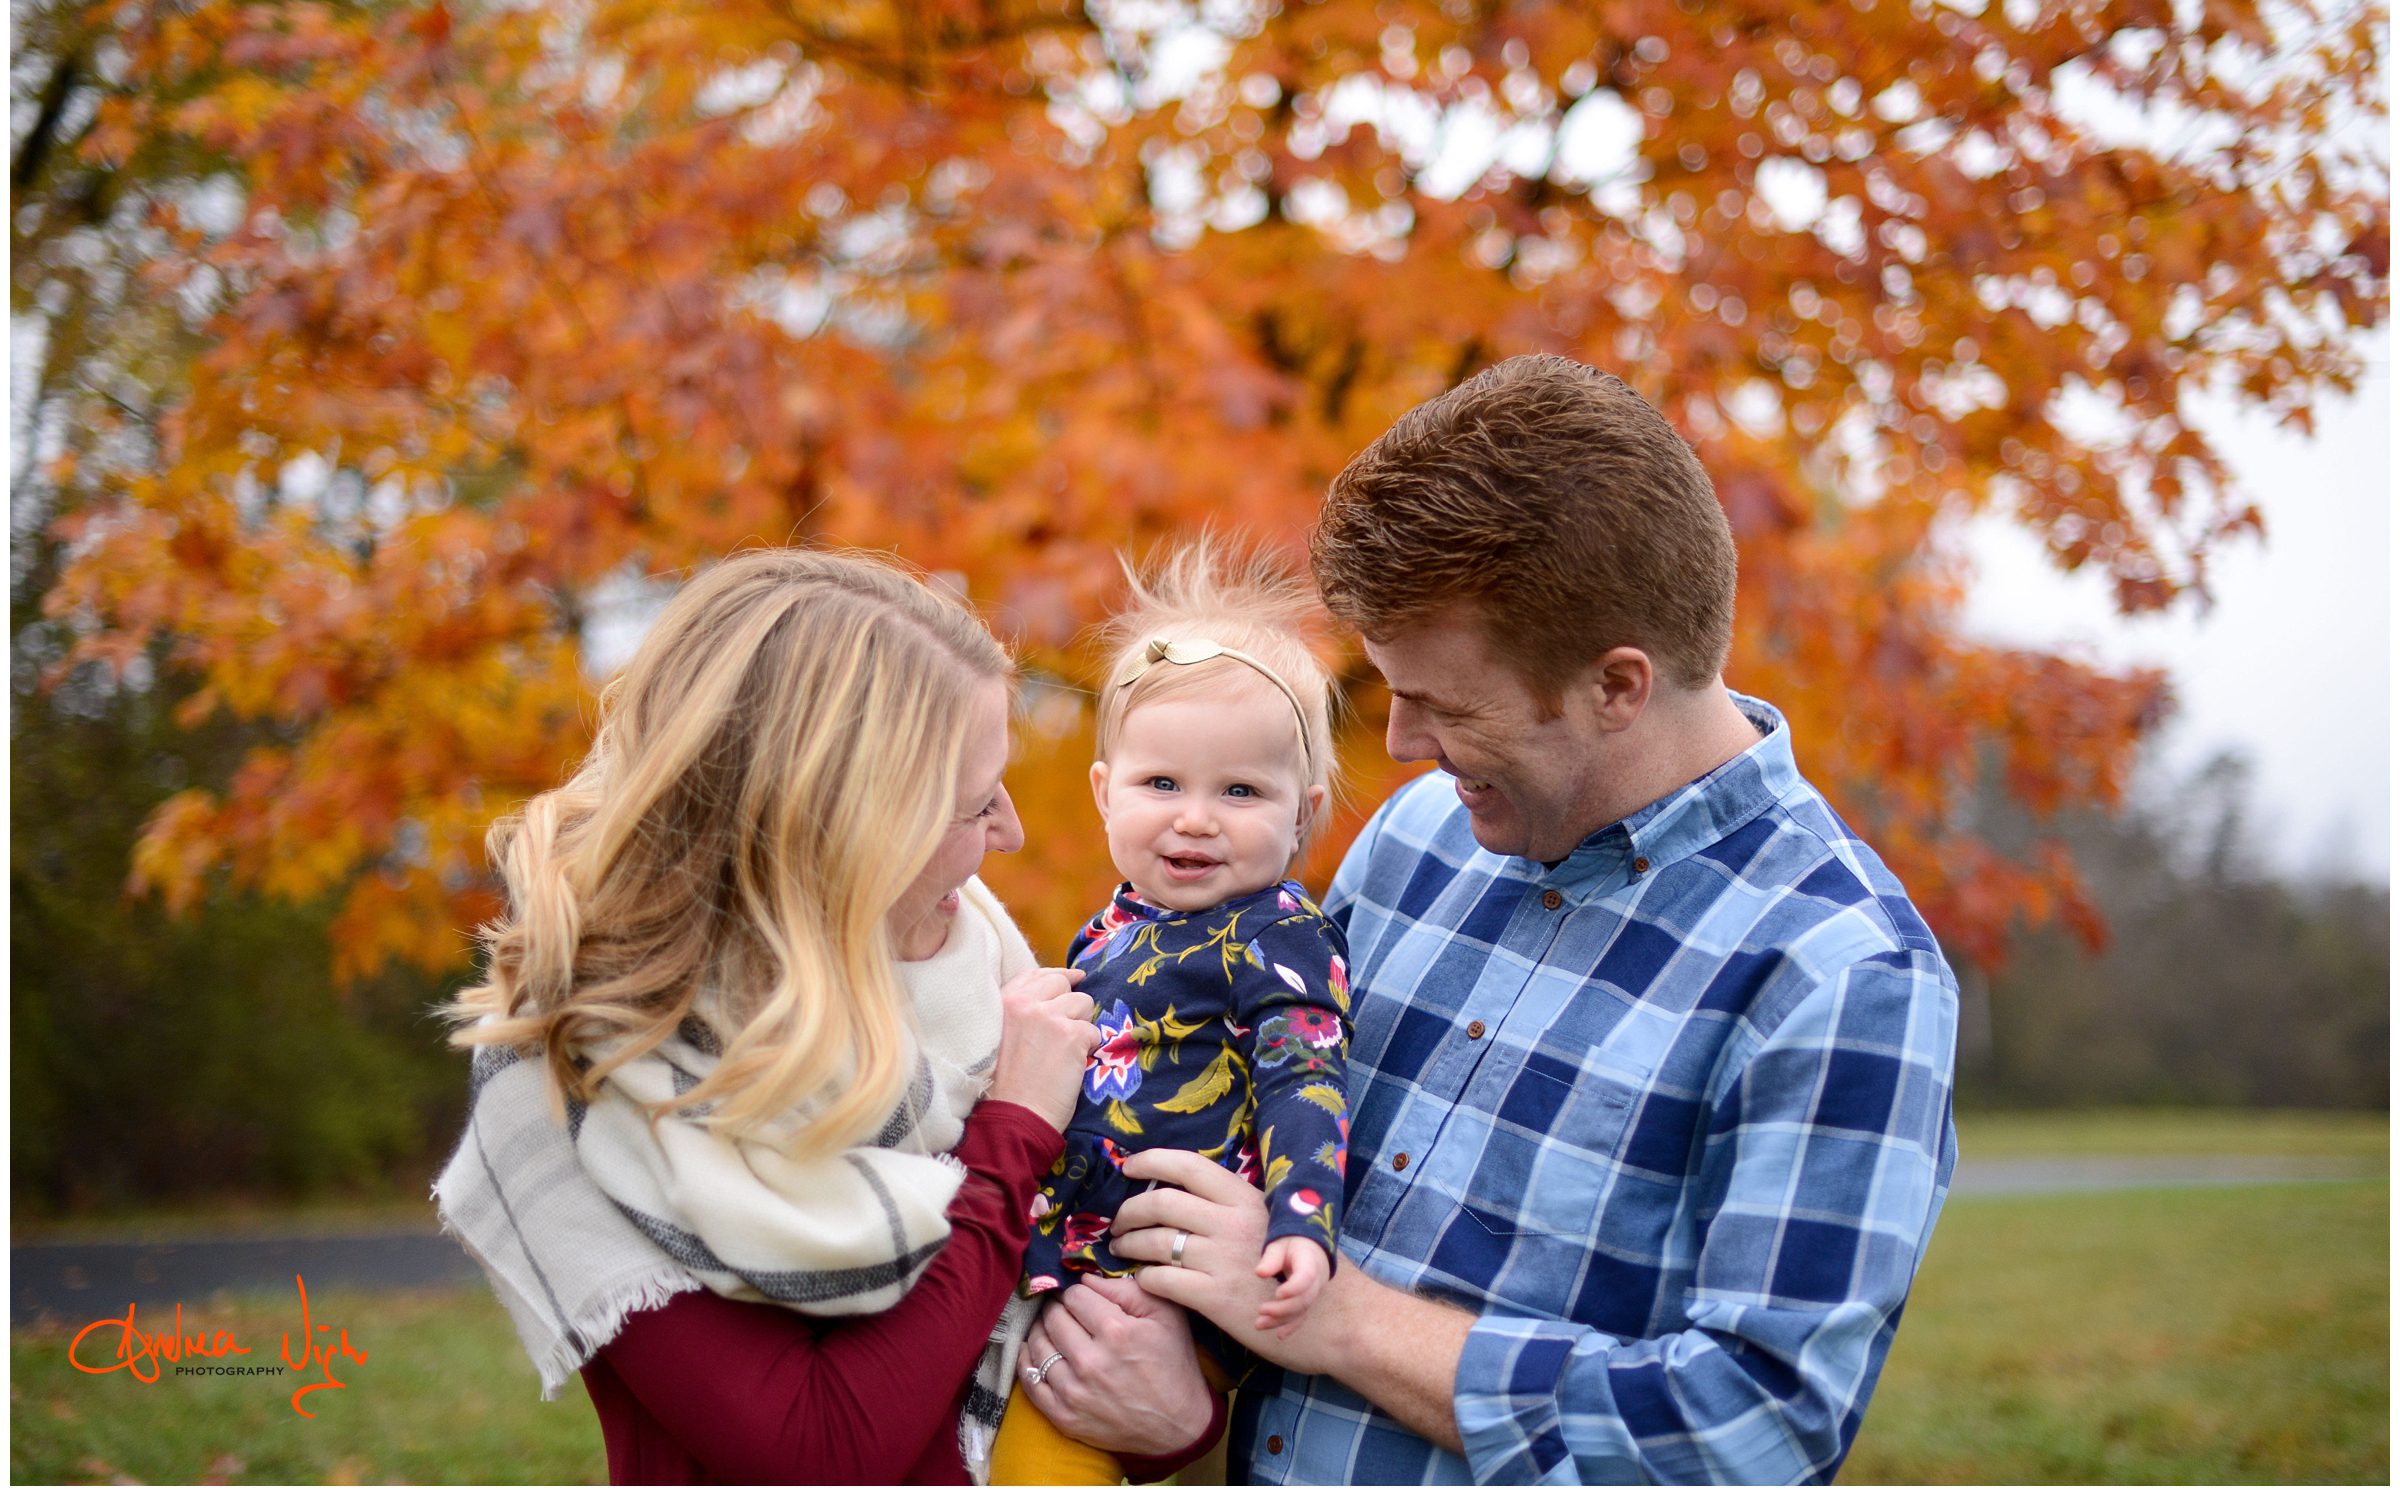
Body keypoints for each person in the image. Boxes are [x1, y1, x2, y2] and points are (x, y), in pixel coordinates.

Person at [1031, 354, 1961, 1482]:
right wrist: (1187, 1393)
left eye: (1445, 705)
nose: (1405, 746)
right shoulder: (1420, 839)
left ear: (1616, 686)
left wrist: (1337, 1321)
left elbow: (1749, 1429)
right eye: (1394, 688)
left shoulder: (1840, 972)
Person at [433, 547, 1217, 1484]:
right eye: (975, 803)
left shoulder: (980, 979)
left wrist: (1176, 1417)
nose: (1009, 832)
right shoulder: (587, 1071)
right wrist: (1012, 1137)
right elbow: (823, 1448)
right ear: (844, 831)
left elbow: (1081, 1344)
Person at [992, 542, 1353, 1485]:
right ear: (1105, 793)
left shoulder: (1278, 933)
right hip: (1076, 1260)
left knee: (1045, 1464)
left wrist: (1302, 1224)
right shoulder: (1107, 929)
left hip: (1166, 1291)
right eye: (1164, 785)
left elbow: (1304, 1080)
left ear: (1302, 815)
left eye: (1240, 791)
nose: (1197, 818)